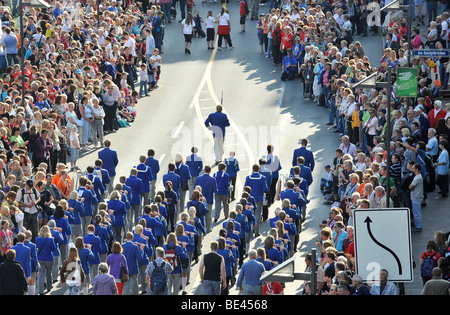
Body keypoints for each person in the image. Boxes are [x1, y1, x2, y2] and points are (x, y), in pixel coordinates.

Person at [244, 164, 269, 237]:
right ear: (259, 169)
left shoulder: (248, 178)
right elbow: (265, 189)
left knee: (249, 213)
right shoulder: (262, 178)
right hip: (259, 198)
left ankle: (250, 230)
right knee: (257, 215)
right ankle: (256, 231)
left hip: (249, 198)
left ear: (252, 169)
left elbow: (245, 188)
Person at [35, 225, 57, 295]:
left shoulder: (37, 238)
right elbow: (54, 249)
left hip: (40, 258)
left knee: (41, 274)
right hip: (49, 258)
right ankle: (49, 286)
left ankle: (40, 290)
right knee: (49, 273)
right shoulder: (50, 239)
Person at [409, 163, 424, 232]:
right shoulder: (418, 177)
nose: (412, 169)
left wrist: (411, 188)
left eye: (413, 168)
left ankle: (418, 227)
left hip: (416, 197)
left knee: (416, 213)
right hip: (417, 197)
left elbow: (410, 186)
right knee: (417, 212)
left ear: (416, 169)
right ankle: (418, 226)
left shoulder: (417, 178)